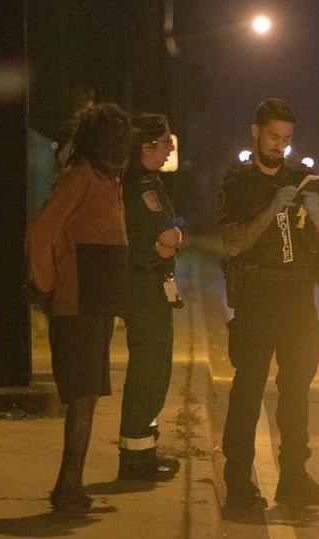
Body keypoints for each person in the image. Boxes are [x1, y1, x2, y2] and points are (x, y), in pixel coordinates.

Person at [217, 99, 319, 513]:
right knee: (248, 389)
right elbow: (234, 242)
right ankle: (238, 482)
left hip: (298, 299)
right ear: (256, 132)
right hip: (257, 297)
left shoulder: (303, 179)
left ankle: (294, 479)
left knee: (296, 392)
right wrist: (272, 210)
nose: (280, 146)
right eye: (274, 137)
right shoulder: (239, 182)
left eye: (287, 139)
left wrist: (318, 211)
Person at [26, 103, 131, 512]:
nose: (119, 146)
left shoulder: (109, 179)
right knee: (83, 396)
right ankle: (67, 487)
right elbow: (41, 231)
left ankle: (70, 485)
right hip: (76, 306)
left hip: (96, 307)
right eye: (112, 138)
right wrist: (48, 285)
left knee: (88, 396)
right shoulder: (81, 176)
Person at [117, 113, 184, 481]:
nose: (170, 148)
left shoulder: (146, 181)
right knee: (150, 369)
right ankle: (136, 461)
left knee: (153, 368)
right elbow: (168, 236)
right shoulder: (140, 186)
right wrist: (168, 242)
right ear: (146, 147)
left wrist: (170, 241)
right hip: (144, 287)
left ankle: (143, 452)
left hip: (147, 284)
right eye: (165, 142)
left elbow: (170, 237)